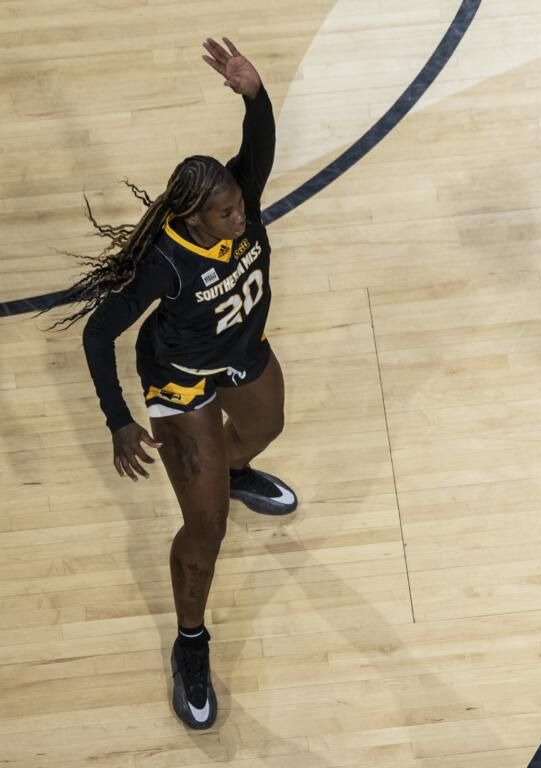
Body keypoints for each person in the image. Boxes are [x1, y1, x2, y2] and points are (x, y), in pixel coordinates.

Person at [54, 38, 295, 730]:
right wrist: (118, 420)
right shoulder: (166, 262)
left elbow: (261, 142)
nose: (240, 216)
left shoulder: (241, 196)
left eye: (237, 204)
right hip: (183, 380)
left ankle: (234, 468)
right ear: (192, 218)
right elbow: (100, 332)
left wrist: (254, 93)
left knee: (264, 427)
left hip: (241, 347)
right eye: (224, 214)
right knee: (207, 524)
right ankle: (191, 643)